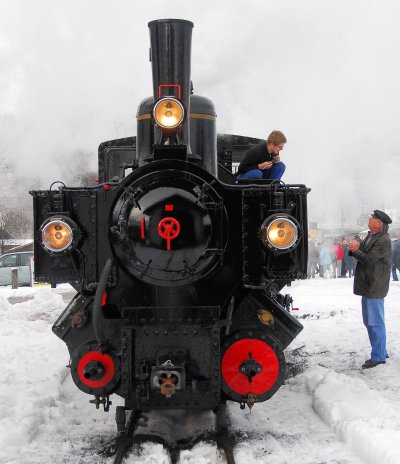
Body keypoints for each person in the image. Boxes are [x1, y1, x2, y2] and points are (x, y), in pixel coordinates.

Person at [348, 210, 392, 369]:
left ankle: (379, 357)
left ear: (379, 224)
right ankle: (380, 350)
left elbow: (370, 260)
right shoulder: (371, 235)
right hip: (368, 284)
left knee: (375, 322)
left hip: (375, 285)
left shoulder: (383, 239)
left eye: (373, 218)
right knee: (369, 321)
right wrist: (357, 247)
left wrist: (355, 250)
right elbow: (364, 252)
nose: (370, 219)